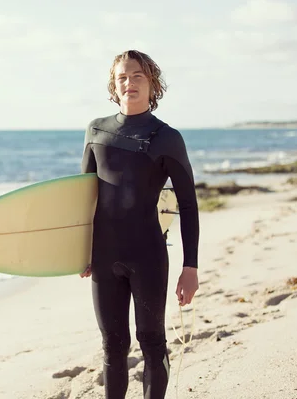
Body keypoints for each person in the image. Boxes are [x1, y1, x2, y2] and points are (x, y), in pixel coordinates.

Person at [79, 50, 200, 399]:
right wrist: (78, 251)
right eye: (122, 77)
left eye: (137, 77)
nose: (129, 83)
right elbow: (82, 199)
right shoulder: (96, 130)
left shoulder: (166, 137)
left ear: (152, 86)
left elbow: (189, 205)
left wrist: (189, 266)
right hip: (103, 257)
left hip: (147, 254)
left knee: (151, 341)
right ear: (113, 86)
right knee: (112, 345)